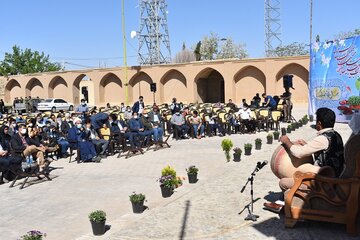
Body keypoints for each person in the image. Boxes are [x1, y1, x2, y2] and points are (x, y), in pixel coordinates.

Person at [264, 107, 345, 212]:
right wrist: (307, 145)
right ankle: (280, 202)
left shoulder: (322, 139)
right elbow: (327, 151)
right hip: (335, 176)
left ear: (319, 123)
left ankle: (284, 206)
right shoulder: (336, 135)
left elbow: (298, 153)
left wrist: (286, 141)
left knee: (283, 182)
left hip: (323, 181)